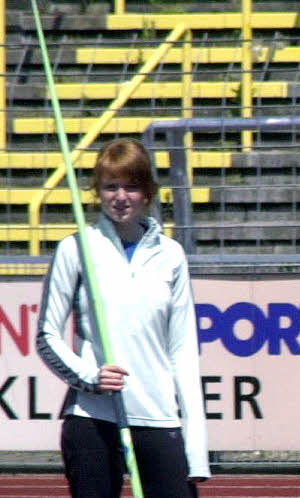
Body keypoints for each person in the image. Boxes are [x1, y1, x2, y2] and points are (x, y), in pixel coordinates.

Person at [37, 138, 210, 497]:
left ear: (147, 192)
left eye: (131, 186)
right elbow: (47, 336)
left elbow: (183, 352)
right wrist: (90, 377)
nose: (120, 196)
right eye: (110, 186)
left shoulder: (171, 255)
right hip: (92, 419)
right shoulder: (76, 249)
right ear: (97, 191)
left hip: (158, 417)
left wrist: (196, 448)